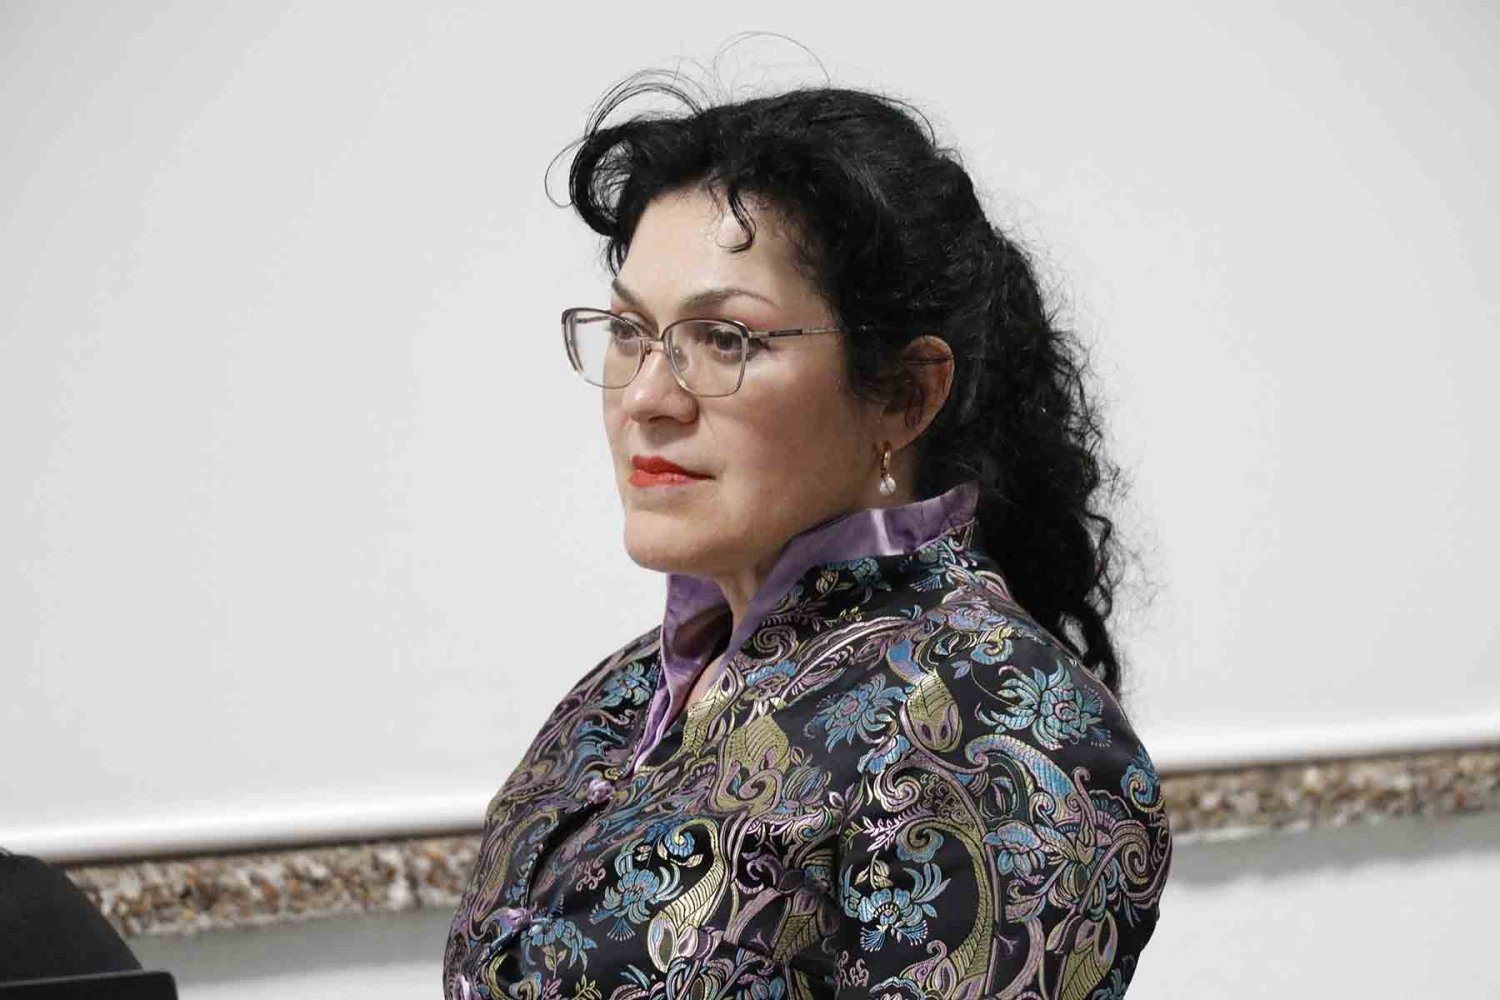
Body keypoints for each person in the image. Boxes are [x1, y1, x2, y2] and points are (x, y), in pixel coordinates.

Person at [445, 76, 1173, 1000]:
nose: (645, 398)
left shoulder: (997, 725)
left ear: (905, 394)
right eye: (629, 331)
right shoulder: (621, 695)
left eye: (724, 338)